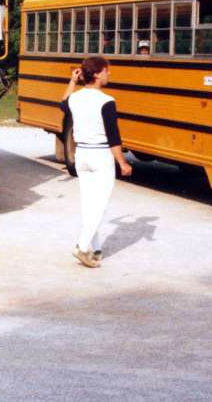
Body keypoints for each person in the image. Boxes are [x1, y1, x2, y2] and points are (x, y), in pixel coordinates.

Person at [61, 56, 132, 268]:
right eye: (107, 71)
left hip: (81, 155)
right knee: (100, 205)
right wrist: (122, 162)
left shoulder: (75, 98)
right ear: (98, 74)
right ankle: (82, 247)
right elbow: (113, 137)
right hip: (100, 155)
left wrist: (73, 81)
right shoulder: (107, 101)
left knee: (89, 203)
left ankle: (96, 248)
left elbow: (63, 104)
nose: (109, 74)